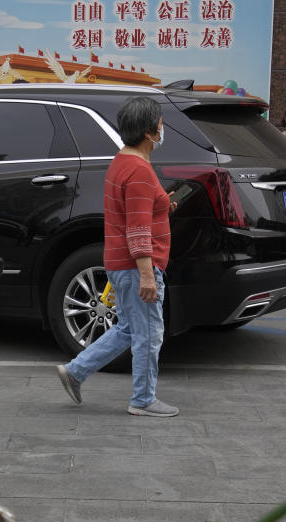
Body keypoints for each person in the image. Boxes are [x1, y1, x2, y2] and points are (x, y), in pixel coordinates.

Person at [55, 96, 180, 417]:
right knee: (149, 335)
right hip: (137, 266)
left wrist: (162, 203)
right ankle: (143, 400)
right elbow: (137, 228)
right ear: (149, 131)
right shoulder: (138, 169)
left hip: (119, 262)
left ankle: (76, 371)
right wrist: (148, 274)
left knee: (127, 328)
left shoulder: (123, 161)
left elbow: (132, 211)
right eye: (160, 123)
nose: (162, 128)